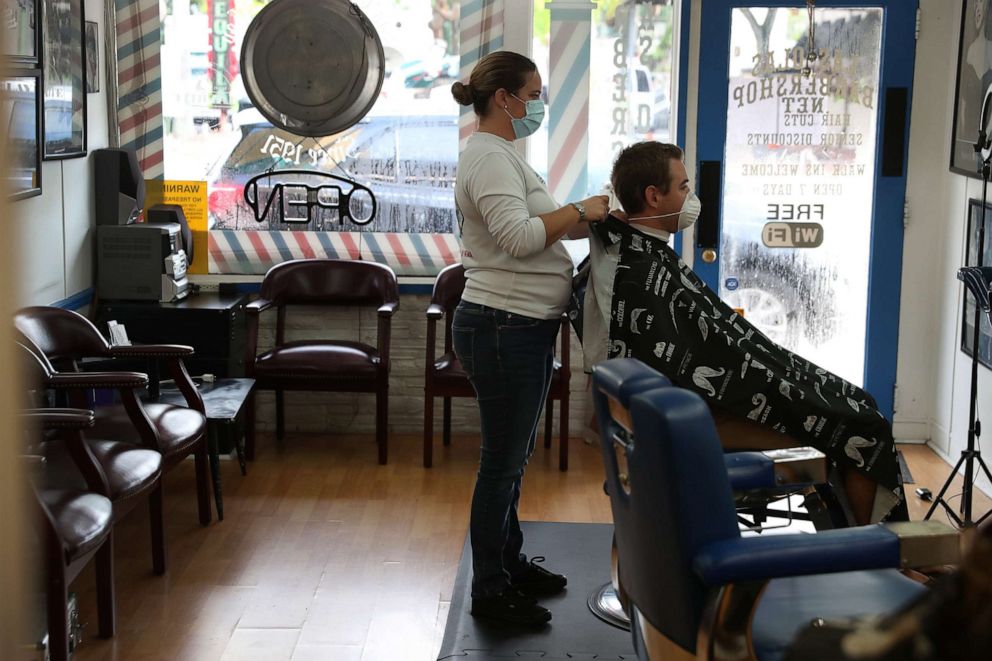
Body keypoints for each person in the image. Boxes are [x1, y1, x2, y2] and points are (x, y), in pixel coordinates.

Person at [584, 141, 905, 525]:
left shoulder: (633, 253)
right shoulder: (641, 270)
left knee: (858, 403)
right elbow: (704, 367)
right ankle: (875, 558)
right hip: (708, 414)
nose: (691, 196)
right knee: (863, 427)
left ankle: (865, 545)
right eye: (684, 186)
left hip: (715, 400)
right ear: (654, 197)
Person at [449, 50, 610, 626]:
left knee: (512, 461)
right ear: (504, 99)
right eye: (534, 93)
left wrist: (584, 216)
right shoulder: (488, 159)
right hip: (501, 326)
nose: (539, 104)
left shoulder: (504, 156)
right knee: (501, 462)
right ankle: (489, 589)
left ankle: (510, 564)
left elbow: (533, 229)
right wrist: (576, 210)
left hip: (521, 325)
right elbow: (519, 239)